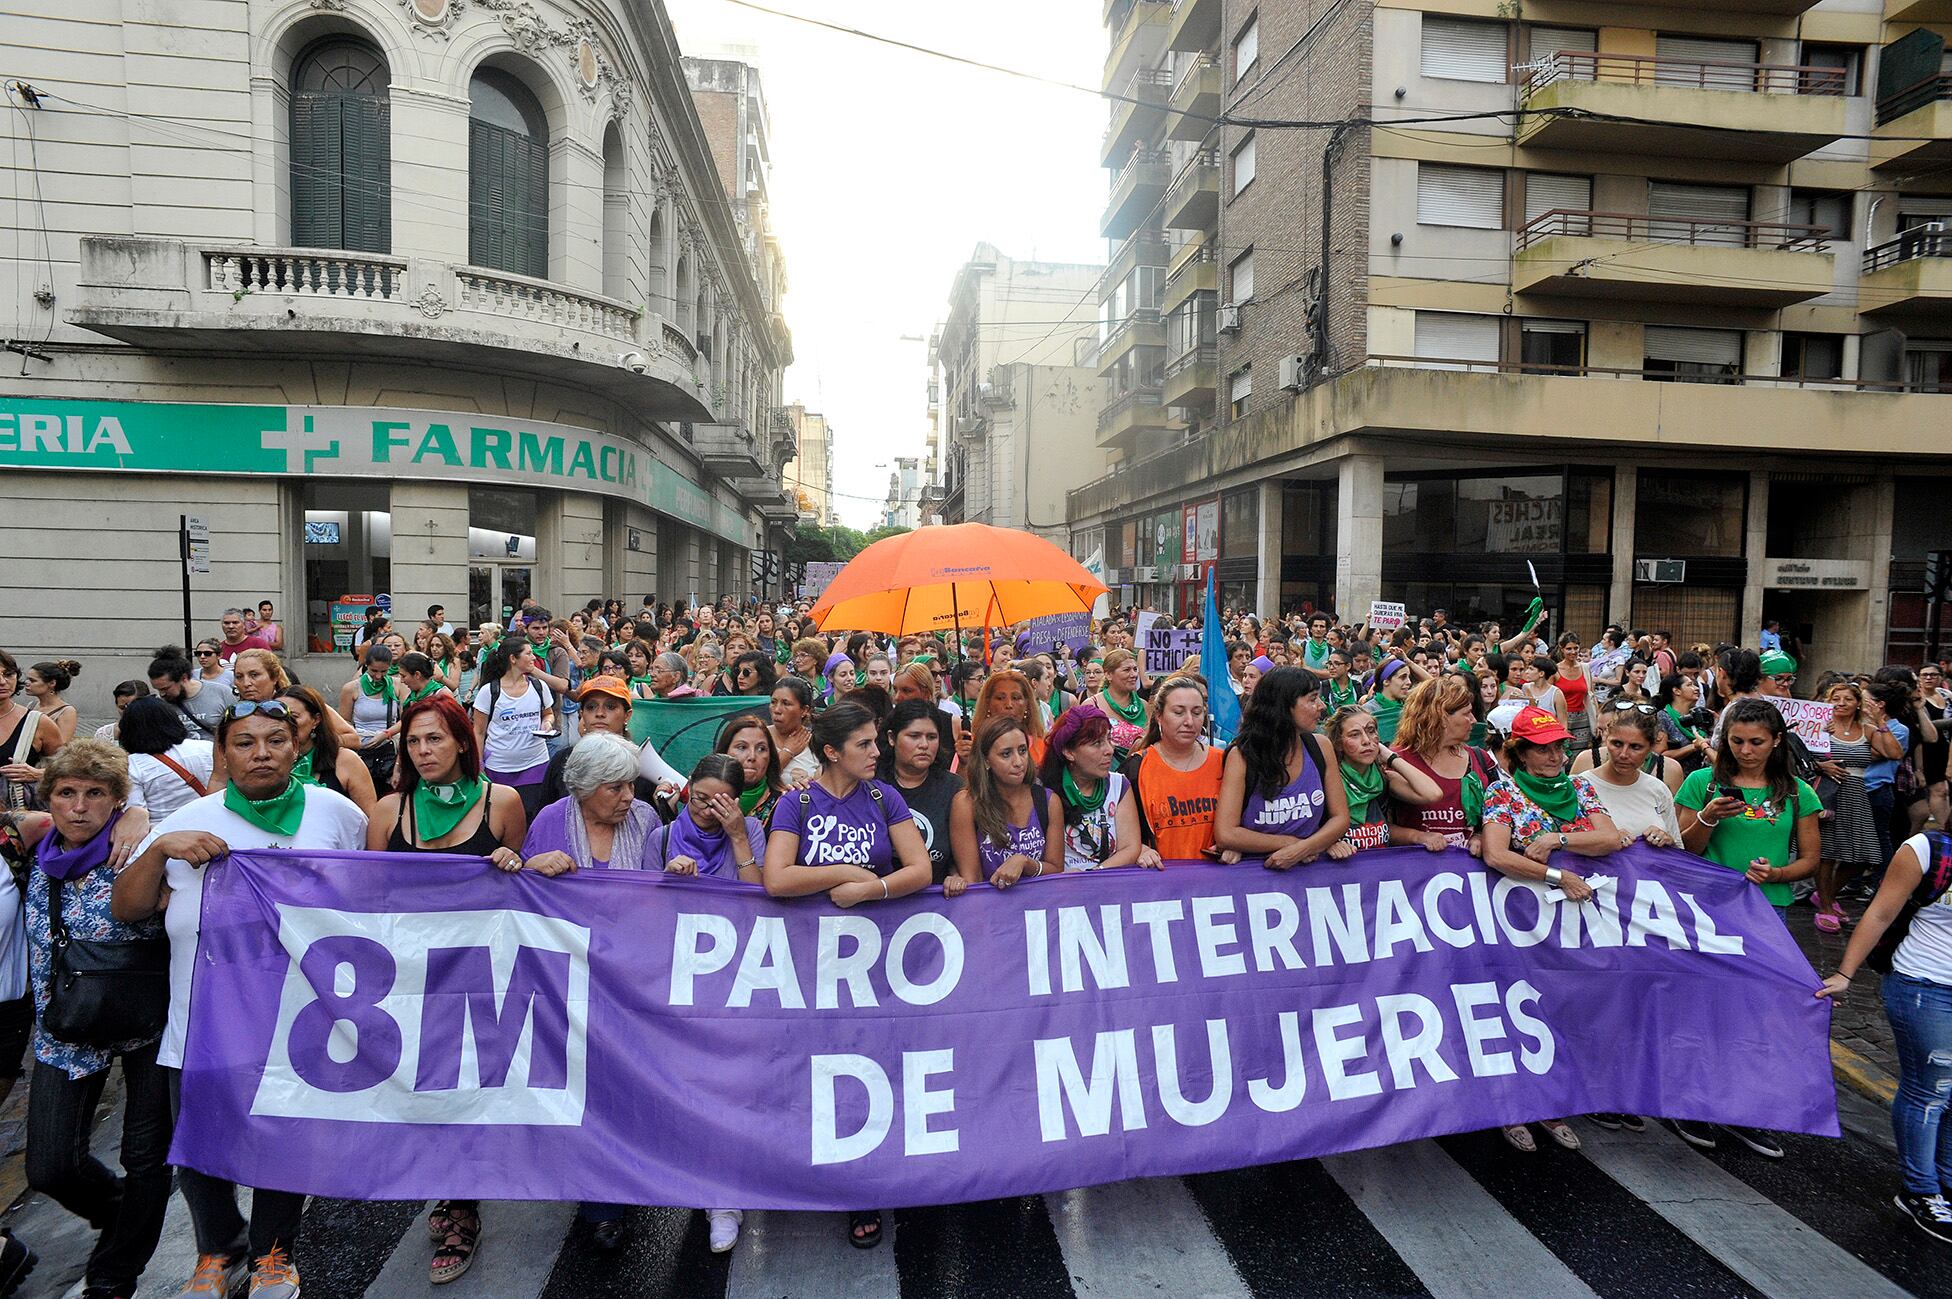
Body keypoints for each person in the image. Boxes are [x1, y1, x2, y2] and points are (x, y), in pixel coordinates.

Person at [112, 700, 367, 1299]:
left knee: (280, 1137)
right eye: (245, 743)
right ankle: (217, 1249)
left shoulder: (337, 815)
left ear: (298, 748)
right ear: (223, 754)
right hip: (200, 1019)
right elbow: (128, 909)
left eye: (275, 741)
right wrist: (155, 851)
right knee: (200, 1144)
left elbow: (370, 897)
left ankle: (273, 1254)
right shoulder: (187, 820)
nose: (260, 753)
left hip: (294, 1017)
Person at [367, 693, 527, 1282]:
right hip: (407, 978)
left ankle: (461, 1205)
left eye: (434, 738)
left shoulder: (503, 802)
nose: (423, 750)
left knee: (466, 1090)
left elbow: (523, 900)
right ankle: (446, 1190)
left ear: (462, 741)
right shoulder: (387, 812)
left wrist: (517, 859)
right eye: (413, 741)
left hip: (479, 975)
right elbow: (368, 900)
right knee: (420, 1090)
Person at [761, 702, 933, 1249]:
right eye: (864, 744)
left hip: (875, 964)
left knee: (869, 1067)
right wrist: (842, 873)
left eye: (876, 742)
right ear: (832, 751)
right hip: (808, 963)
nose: (877, 752)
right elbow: (776, 878)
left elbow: (920, 870)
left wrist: (871, 890)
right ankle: (805, 1172)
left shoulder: (885, 797)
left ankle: (864, 1186)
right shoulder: (797, 803)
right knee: (811, 1066)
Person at [4, 741, 162, 1299]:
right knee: (49, 1167)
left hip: (146, 1024)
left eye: (95, 794)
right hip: (64, 1027)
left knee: (146, 1159)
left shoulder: (140, 846)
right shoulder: (34, 843)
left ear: (117, 800)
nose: (78, 807)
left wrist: (143, 818)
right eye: (67, 793)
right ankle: (123, 1214)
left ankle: (112, 1278)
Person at [1673, 696, 1820, 1157]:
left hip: (1768, 915)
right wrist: (1706, 818)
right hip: (1708, 912)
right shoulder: (1702, 782)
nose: (1746, 750)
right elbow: (1682, 853)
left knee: (1754, 1013)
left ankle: (1742, 1109)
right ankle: (1691, 1102)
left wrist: (1776, 875)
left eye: (1757, 742)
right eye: (1736, 741)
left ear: (1777, 741)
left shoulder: (1797, 791)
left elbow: (1811, 861)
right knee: (1704, 1008)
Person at [1476, 706, 1619, 1151]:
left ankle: (1553, 1104)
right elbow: (1497, 855)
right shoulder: (1503, 795)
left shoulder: (1580, 787)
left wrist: (1555, 840)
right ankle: (1512, 1107)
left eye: (1559, 745)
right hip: (1522, 923)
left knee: (1567, 1009)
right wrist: (1560, 876)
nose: (1555, 754)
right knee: (1520, 1009)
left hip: (1579, 926)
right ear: (1519, 752)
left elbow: (1609, 837)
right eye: (1543, 748)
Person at [1816, 830, 1952, 1239]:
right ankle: (1920, 1190)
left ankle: (1945, 1182)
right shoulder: (1927, 850)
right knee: (1930, 1089)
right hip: (1923, 986)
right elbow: (1879, 914)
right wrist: (1845, 973)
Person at [1216, 668, 1351, 868]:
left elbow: (1340, 818)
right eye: (1312, 699)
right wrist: (1292, 845)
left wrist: (1304, 849)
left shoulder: (1320, 747)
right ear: (1284, 706)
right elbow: (1226, 833)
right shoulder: (1242, 756)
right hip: (1256, 876)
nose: (1321, 706)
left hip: (1312, 872)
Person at [1124, 678, 1238, 863]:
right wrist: (1139, 849)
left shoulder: (1225, 762)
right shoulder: (1136, 768)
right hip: (1160, 884)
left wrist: (1236, 846)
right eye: (1178, 712)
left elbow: (1245, 821)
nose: (1189, 721)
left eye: (1197, 712)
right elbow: (1118, 830)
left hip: (1217, 882)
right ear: (1159, 716)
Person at [1815, 680, 1898, 933]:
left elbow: (1894, 753)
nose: (1841, 703)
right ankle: (1826, 907)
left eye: (1848, 699)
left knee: (1863, 855)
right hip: (1828, 794)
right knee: (1827, 853)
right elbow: (1800, 757)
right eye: (1836, 698)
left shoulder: (1868, 729)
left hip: (1857, 793)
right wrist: (1821, 766)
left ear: (1858, 703)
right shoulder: (1820, 728)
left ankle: (1826, 894)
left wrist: (1880, 723)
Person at [951, 717, 1064, 892]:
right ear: (986, 760)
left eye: (1022, 750)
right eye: (1006, 754)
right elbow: (972, 881)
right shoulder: (967, 804)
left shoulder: (1048, 801)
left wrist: (1025, 863)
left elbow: (1057, 870)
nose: (1018, 762)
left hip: (1039, 909)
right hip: (991, 911)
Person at [1391, 675, 1498, 853]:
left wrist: (1481, 835)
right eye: (1466, 713)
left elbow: (1497, 816)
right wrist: (1418, 837)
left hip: (1471, 875)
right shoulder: (1396, 761)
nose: (1473, 720)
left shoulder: (1481, 759)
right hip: (1416, 874)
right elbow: (1378, 828)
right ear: (1440, 717)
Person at [1041, 704, 1154, 871]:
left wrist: (1093, 875)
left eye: (1109, 739)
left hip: (1106, 890)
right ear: (1068, 752)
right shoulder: (1045, 792)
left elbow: (1130, 847)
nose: (1110, 750)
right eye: (1096, 743)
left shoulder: (1119, 786)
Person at [1321, 706, 1441, 854]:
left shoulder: (1383, 777)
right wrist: (1327, 844)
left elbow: (1432, 794)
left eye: (1371, 731)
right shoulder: (1328, 779)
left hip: (1378, 869)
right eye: (1354, 735)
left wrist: (1390, 757)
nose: (1366, 740)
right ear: (1339, 743)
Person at [471, 639, 560, 820]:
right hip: (499, 766)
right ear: (513, 658)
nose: (533, 657)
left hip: (536, 763)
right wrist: (478, 764)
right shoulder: (489, 691)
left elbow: (548, 714)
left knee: (532, 816)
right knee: (502, 818)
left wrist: (547, 723)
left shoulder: (538, 686)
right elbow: (478, 731)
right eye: (528, 653)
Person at [1575, 706, 1682, 853]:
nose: (1624, 754)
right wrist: (1603, 840)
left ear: (1651, 748)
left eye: (1635, 747)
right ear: (1606, 739)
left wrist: (1666, 840)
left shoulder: (1658, 789)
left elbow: (1678, 850)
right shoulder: (1579, 785)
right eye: (1617, 744)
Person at [879, 700, 962, 884]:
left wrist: (955, 876)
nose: (924, 744)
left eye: (932, 737)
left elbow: (962, 861)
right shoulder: (870, 784)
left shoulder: (953, 788)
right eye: (914, 736)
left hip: (936, 906)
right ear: (892, 738)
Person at [273, 685, 379, 815]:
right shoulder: (267, 761)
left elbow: (371, 819)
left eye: (294, 717)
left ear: (316, 720)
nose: (286, 723)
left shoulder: (345, 761)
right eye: (279, 717)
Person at [117, 697, 215, 822]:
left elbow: (135, 815)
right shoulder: (207, 748)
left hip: (164, 834)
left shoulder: (132, 765)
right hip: (211, 825)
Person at [0, 650, 66, 811]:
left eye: (8, 674)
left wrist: (38, 774)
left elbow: (68, 769)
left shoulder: (37, 722)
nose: (2, 681)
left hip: (17, 824)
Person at [339, 642, 405, 791]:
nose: (378, 676)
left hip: (389, 748)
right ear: (366, 666)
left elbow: (406, 719)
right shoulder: (351, 688)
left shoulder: (398, 685)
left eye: (384, 671)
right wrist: (356, 738)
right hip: (361, 749)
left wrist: (386, 734)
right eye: (373, 670)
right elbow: (344, 722)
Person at [717, 713, 787, 827]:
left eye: (761, 748)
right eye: (742, 747)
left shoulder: (785, 803)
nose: (752, 757)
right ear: (725, 752)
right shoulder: (706, 797)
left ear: (770, 756)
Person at [21, 661, 81, 750]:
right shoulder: (31, 705)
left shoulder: (66, 711)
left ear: (52, 683)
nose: (26, 683)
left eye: (33, 680)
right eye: (27, 679)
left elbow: (61, 747)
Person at [770, 676, 818, 783]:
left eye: (786, 704)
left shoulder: (816, 744)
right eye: (773, 702)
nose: (777, 710)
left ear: (804, 710)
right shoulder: (759, 737)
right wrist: (787, 752)